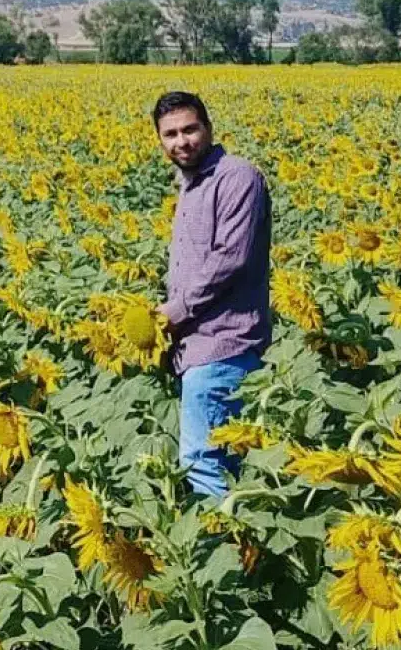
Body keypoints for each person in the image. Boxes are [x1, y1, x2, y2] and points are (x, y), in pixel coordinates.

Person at [152, 91, 271, 497]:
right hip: (195, 347)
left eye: (190, 129)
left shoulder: (237, 178)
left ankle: (223, 538)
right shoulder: (190, 186)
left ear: (209, 128)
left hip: (224, 345)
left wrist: (175, 310)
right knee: (218, 464)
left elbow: (230, 259)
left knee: (206, 467)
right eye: (170, 134)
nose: (181, 141)